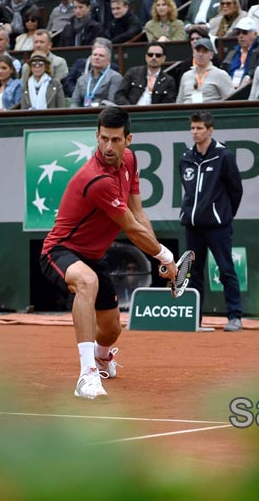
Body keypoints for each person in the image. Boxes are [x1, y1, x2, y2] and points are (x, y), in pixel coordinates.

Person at [40, 105, 178, 399]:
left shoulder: (129, 160)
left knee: (112, 328)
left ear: (128, 139)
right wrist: (165, 257)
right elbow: (130, 226)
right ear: (96, 136)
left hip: (93, 256)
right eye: (103, 138)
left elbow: (139, 213)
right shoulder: (97, 178)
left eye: (116, 140)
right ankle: (87, 375)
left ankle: (102, 357)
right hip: (60, 250)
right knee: (86, 282)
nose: (108, 146)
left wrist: (160, 257)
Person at [179, 111, 244, 331]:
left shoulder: (223, 155)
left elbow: (236, 190)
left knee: (226, 270)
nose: (195, 132)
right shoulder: (186, 156)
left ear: (210, 130)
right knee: (193, 273)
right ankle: (194, 318)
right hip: (193, 226)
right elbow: (187, 189)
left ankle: (234, 317)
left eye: (199, 128)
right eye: (192, 128)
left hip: (218, 226)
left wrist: (223, 214)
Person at [221, 16, 259, 92]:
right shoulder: (233, 51)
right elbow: (223, 69)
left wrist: (249, 76)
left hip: (250, 88)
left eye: (245, 32)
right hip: (229, 89)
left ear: (255, 34)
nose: (241, 36)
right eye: (238, 33)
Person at [178, 38, 234, 102]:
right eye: (198, 51)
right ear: (193, 53)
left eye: (205, 51)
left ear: (211, 55)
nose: (200, 54)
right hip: (187, 110)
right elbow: (179, 101)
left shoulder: (220, 75)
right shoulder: (186, 76)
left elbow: (231, 100)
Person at [71, 39, 123, 107]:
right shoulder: (82, 79)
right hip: (83, 114)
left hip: (104, 113)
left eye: (101, 56)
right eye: (95, 55)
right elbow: (74, 102)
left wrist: (97, 104)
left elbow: (112, 102)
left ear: (108, 61)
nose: (97, 57)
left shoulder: (115, 77)